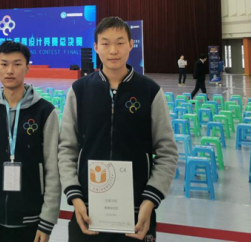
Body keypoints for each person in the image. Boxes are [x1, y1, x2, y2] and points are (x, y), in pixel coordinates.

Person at [59, 16, 178, 242]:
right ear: (96, 47)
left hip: (137, 213)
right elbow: (66, 148)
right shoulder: (79, 91)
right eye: (105, 43)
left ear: (131, 44)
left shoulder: (150, 91)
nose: (113, 50)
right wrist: (74, 196)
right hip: (87, 210)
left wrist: (150, 200)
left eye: (120, 42)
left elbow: (167, 151)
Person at [0, 41, 61, 242]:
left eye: (17, 64)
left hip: (30, 218)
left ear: (27, 68)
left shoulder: (45, 112)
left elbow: (52, 168)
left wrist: (47, 219)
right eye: (4, 64)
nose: (10, 70)